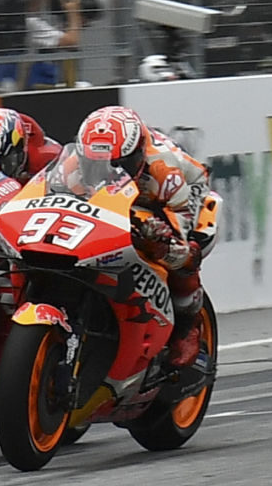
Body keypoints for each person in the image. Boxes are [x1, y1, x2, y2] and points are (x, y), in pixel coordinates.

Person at [72, 106, 215, 368]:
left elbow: (180, 242)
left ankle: (187, 327)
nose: (104, 171)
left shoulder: (164, 172)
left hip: (184, 195)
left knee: (181, 257)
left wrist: (161, 240)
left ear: (136, 157)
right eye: (94, 164)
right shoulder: (77, 162)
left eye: (117, 165)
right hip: (126, 198)